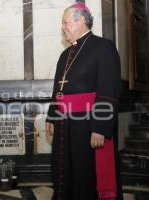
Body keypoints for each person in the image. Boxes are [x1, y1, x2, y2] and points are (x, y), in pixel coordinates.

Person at [45, 3, 122, 200]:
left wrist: (100, 126)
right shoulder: (65, 55)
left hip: (87, 125)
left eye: (65, 22)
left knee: (85, 172)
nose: (62, 27)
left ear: (80, 20)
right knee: (66, 170)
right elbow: (58, 89)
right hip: (64, 125)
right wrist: (51, 117)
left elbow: (108, 88)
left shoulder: (103, 47)